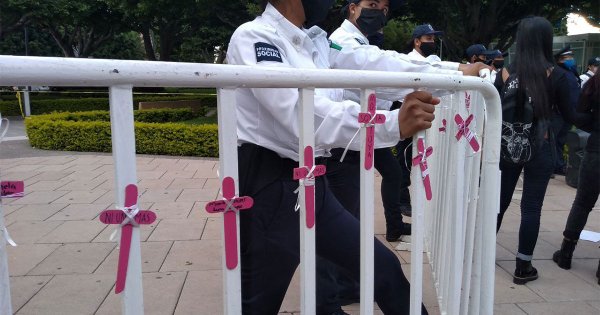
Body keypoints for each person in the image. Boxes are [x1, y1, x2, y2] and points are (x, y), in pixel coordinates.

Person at [226, 0, 438, 313]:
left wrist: (451, 75)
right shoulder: (254, 37)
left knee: (384, 271)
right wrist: (390, 124)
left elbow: (374, 68)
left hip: (313, 184)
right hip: (271, 190)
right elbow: (303, 113)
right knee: (256, 305)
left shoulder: (312, 44)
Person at [494, 16, 591, 285]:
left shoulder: (504, 72)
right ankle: (523, 266)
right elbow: (574, 115)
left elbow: (491, 109)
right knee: (531, 207)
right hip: (542, 147)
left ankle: (484, 254)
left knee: (498, 204)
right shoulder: (558, 75)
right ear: (547, 41)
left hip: (506, 146)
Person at [552, 72, 599, 285]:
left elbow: (579, 114)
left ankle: (566, 253)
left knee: (582, 203)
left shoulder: (594, 83)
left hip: (596, 150)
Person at [552, 46, 581, 176]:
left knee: (561, 140)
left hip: (569, 113)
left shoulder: (571, 71)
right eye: (568, 58)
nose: (571, 60)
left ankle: (559, 165)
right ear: (560, 60)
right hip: (558, 113)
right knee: (554, 140)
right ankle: (554, 165)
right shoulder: (557, 72)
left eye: (571, 57)